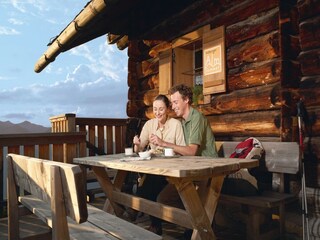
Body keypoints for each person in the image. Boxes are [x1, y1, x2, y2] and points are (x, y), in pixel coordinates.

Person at [149, 84, 218, 236]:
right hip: (192, 169)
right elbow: (183, 151)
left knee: (166, 198)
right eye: (172, 102)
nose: (172, 106)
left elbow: (191, 151)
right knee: (162, 199)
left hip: (208, 171)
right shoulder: (182, 122)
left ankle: (197, 229)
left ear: (186, 100)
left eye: (175, 102)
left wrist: (164, 143)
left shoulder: (196, 118)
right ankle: (195, 226)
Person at [132, 94, 185, 235]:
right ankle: (155, 224)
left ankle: (156, 223)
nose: (157, 112)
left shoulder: (175, 125)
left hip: (172, 168)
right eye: (155, 109)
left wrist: (163, 143)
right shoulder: (149, 125)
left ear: (168, 109)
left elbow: (182, 150)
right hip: (155, 168)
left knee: (149, 190)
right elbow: (140, 148)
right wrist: (136, 145)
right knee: (145, 189)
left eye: (161, 109)